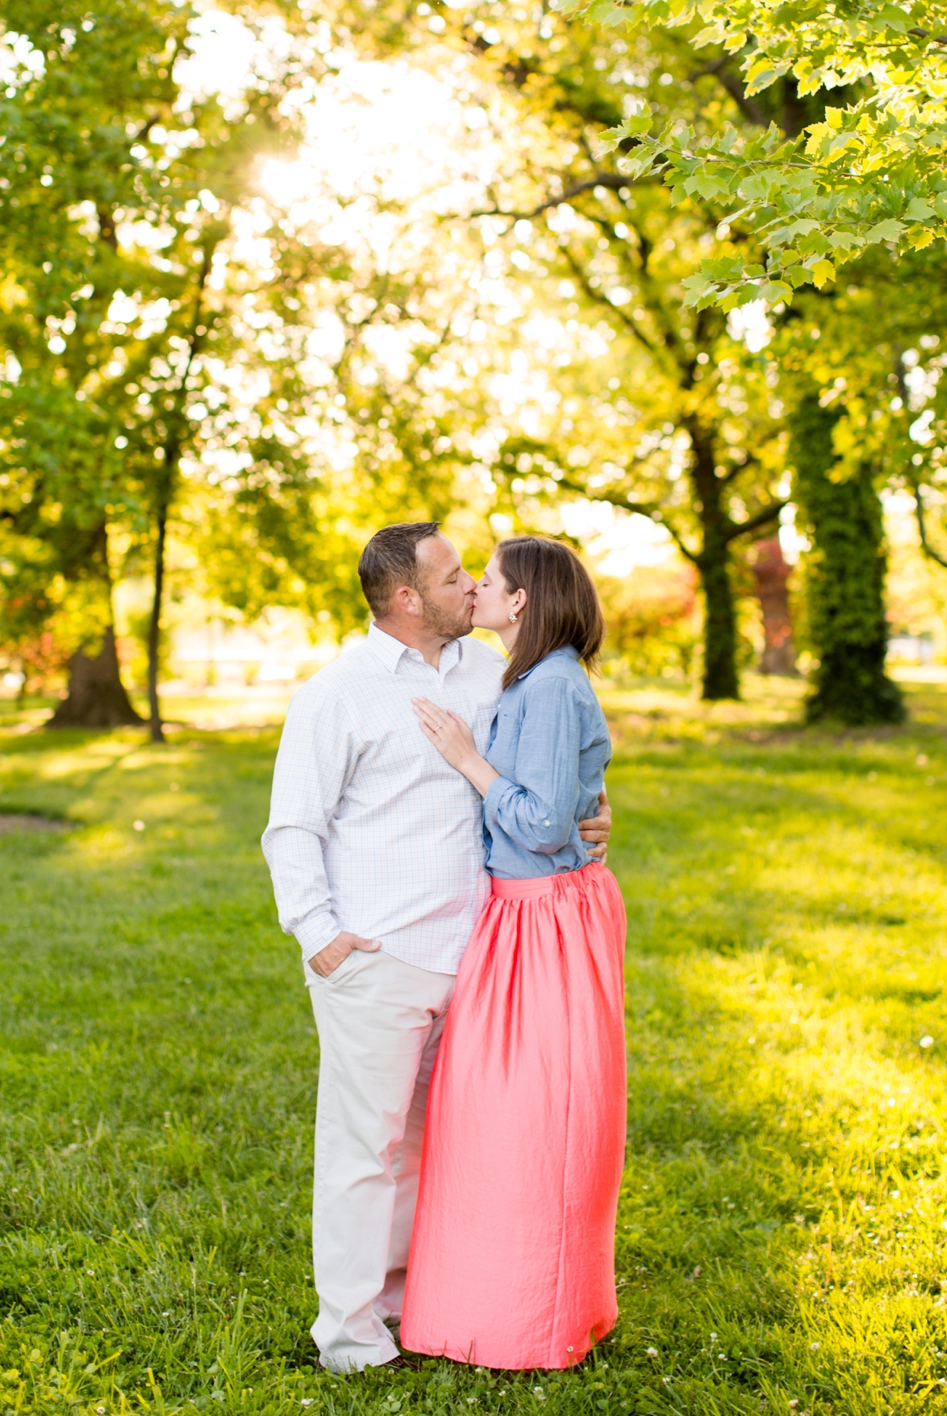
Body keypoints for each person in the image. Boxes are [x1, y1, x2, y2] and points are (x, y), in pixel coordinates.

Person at [261, 522, 611, 1375]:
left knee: (441, 1144)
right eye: (455, 576)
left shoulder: (494, 672)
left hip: (487, 957)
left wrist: (592, 816)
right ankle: (348, 1336)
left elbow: (547, 774)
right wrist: (322, 935)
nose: (471, 587)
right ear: (409, 597)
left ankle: (411, 1302)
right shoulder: (336, 694)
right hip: (379, 954)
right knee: (365, 1149)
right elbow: (292, 828)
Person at [399, 536, 627, 1372]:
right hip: (520, 915)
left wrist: (466, 760)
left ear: (522, 599)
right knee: (492, 1123)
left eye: (487, 580)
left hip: (545, 925)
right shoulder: (531, 678)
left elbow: (538, 822)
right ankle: (486, 1306)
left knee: (540, 1123)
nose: (477, 591)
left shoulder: (555, 682)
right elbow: (570, 796)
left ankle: (533, 1316)